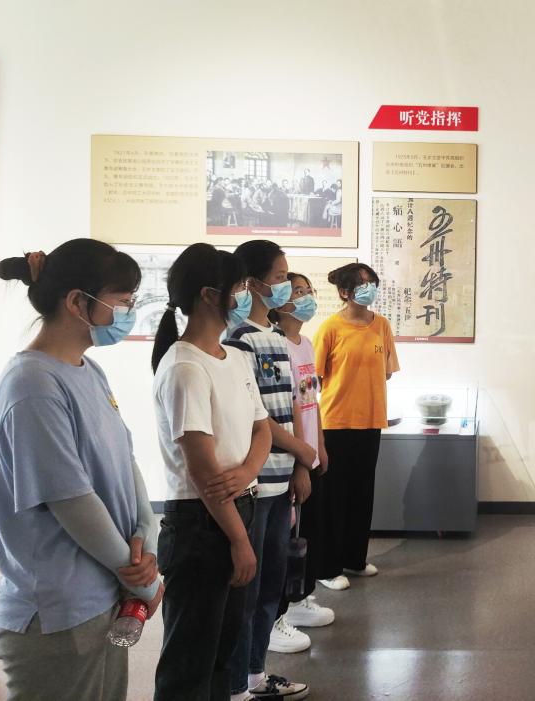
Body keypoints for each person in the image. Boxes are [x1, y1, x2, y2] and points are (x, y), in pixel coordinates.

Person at [0, 240, 162, 701]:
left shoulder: (88, 371)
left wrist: (146, 536)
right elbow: (71, 500)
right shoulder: (31, 384)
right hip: (60, 611)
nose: (128, 312)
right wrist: (140, 577)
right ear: (76, 302)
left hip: (106, 595)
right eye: (122, 301)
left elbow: (125, 461)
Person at [150, 243, 271, 701]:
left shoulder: (233, 357)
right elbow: (202, 471)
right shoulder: (185, 367)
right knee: (190, 661)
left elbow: (262, 428)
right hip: (201, 524)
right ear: (208, 294)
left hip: (238, 507)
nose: (245, 296)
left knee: (222, 649)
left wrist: (248, 471)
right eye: (238, 288)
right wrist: (239, 540)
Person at [224, 241, 313, 701]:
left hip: (283, 480)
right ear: (253, 283)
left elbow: (292, 404)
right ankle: (236, 684)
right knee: (248, 586)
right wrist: (301, 449)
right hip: (257, 483)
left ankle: (256, 674)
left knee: (272, 585)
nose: (285, 285)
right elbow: (255, 416)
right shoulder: (238, 340)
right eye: (279, 277)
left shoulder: (277, 338)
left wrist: (300, 464)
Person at [314, 263, 400, 592]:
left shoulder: (381, 325)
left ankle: (354, 558)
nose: (369, 288)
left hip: (371, 421)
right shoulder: (330, 328)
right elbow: (315, 378)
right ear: (344, 292)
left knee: (362, 494)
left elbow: (387, 371)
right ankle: (327, 567)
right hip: (336, 422)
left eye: (371, 283)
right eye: (362, 284)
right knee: (333, 498)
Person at [271, 273, 335, 632]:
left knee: (309, 530)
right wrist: (300, 459)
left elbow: (312, 402)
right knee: (289, 534)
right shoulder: (276, 345)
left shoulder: (306, 344)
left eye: (309, 291)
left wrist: (319, 445)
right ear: (280, 300)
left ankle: (301, 597)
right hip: (293, 457)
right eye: (298, 291)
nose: (307, 297)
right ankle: (285, 608)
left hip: (309, 453)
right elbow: (286, 408)